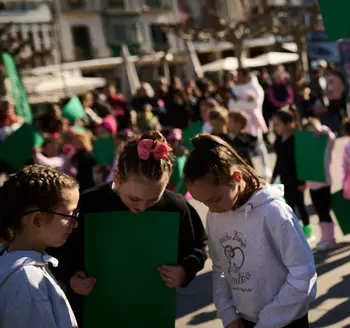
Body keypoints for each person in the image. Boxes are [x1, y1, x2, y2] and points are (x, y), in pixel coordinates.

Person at [49, 131, 208, 326]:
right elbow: (56, 247)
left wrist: (184, 271)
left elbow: (198, 246)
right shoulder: (89, 204)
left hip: (151, 310)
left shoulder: (176, 206)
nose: (141, 207)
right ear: (117, 177)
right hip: (93, 311)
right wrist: (71, 276)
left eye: (153, 200)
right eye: (134, 199)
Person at [182, 134, 316, 328]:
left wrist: (269, 321)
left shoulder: (273, 212)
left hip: (287, 319)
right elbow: (220, 266)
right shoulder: (215, 215)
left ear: (236, 177)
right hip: (245, 320)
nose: (210, 208)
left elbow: (303, 274)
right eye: (203, 202)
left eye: (215, 199)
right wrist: (227, 313)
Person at [0, 165, 80, 328]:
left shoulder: (13, 264)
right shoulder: (26, 281)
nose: (75, 224)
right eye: (69, 215)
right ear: (37, 219)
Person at [270, 106, 312, 240]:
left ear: (288, 124)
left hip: (296, 180)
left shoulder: (295, 140)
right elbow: (279, 160)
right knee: (289, 207)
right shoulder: (277, 142)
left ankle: (307, 232)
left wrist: (303, 181)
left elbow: (302, 162)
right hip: (285, 179)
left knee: (301, 205)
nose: (275, 128)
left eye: (278, 124)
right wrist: (273, 176)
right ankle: (296, 232)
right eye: (274, 125)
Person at [302, 118, 337, 250]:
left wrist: (321, 130)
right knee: (319, 211)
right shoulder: (306, 145)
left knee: (325, 211)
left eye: (314, 130)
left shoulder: (325, 142)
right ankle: (325, 237)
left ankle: (330, 238)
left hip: (324, 183)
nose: (313, 134)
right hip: (312, 185)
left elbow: (332, 138)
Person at [229, 68, 271, 177]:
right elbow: (231, 104)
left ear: (246, 76)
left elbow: (255, 104)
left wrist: (240, 103)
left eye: (240, 75)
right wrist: (243, 104)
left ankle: (266, 167)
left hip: (253, 122)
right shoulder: (234, 88)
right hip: (239, 123)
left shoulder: (256, 87)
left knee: (259, 144)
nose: (237, 78)